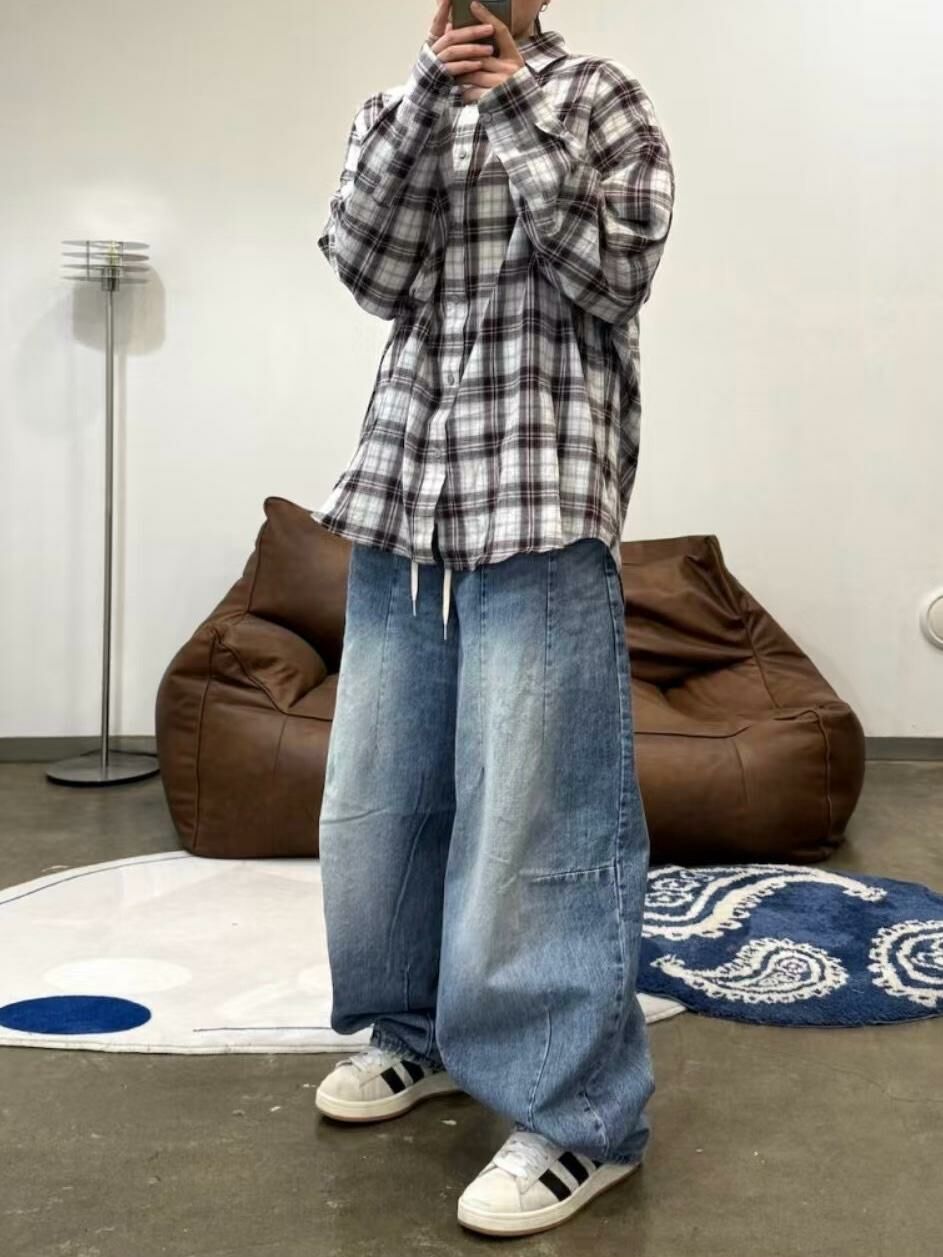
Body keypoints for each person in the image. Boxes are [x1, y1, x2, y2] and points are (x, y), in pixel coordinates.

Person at [310, 0, 675, 1237]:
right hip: (404, 498)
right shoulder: (395, 108)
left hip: (541, 496)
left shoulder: (599, 98)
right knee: (381, 798)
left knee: (540, 813)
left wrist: (513, 104)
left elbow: (611, 273)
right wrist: (431, 100)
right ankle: (412, 1032)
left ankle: (580, 1115)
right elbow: (367, 270)